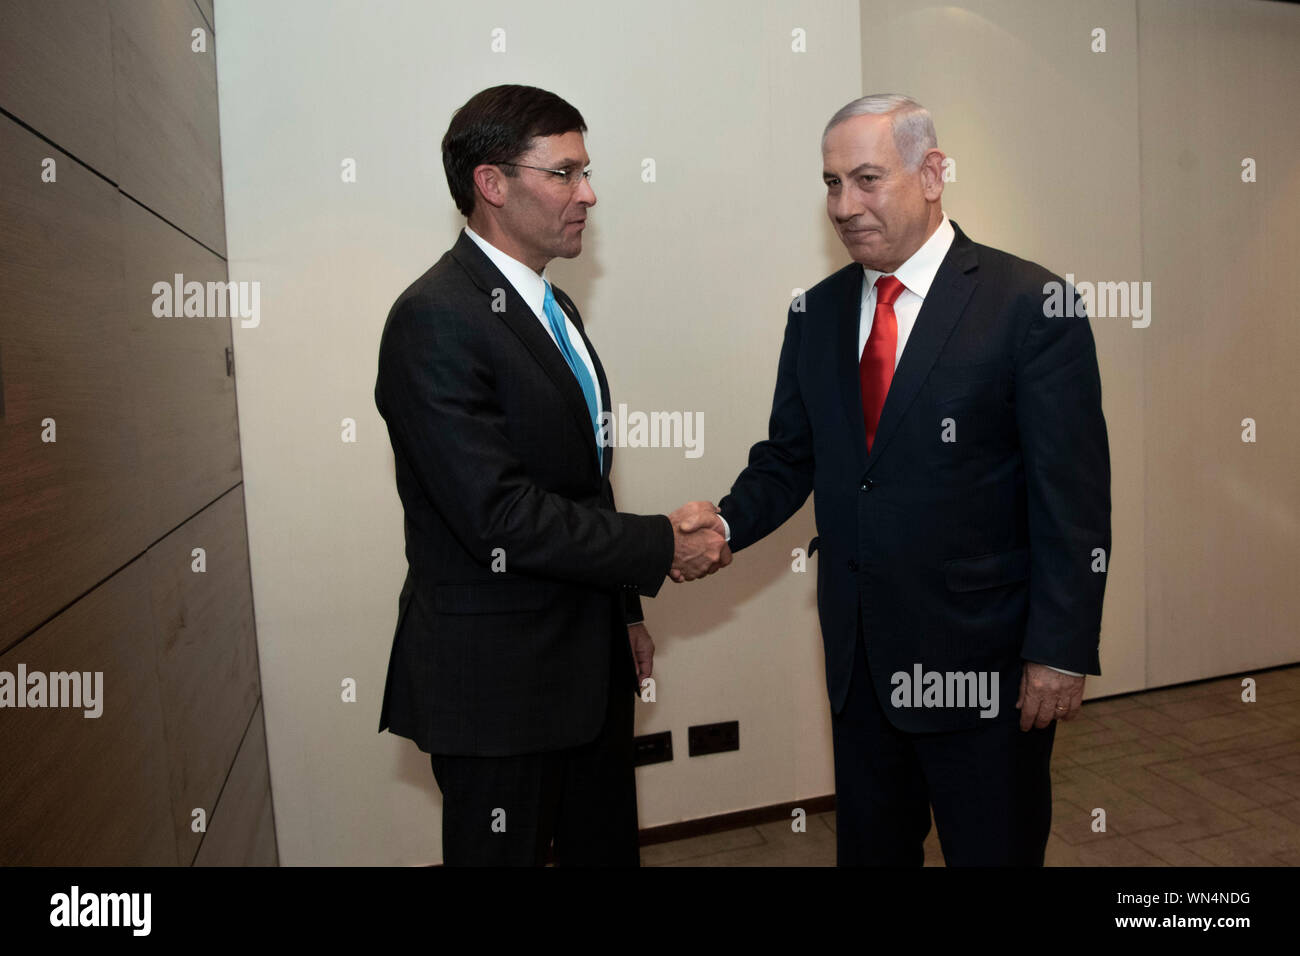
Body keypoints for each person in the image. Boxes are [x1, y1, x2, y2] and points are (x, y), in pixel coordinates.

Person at [674, 93, 1111, 865]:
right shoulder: (815, 313)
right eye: (832, 184)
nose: (845, 205)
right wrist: (727, 524)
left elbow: (1071, 498)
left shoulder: (1028, 305)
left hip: (987, 668)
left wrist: (1062, 650)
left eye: (867, 179)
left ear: (933, 172)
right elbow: (789, 456)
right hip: (862, 662)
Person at [374, 84, 729, 866]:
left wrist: (624, 613)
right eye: (564, 173)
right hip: (499, 687)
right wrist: (658, 545)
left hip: (587, 665)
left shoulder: (552, 305)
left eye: (587, 171)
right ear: (492, 184)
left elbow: (582, 483)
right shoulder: (433, 317)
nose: (589, 193)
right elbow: (496, 514)